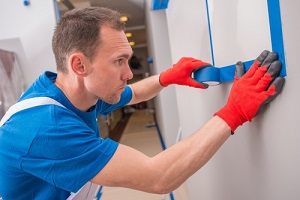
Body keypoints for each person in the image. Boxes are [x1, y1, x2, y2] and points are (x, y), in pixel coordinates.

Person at [0, 7, 285, 200]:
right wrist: (233, 111)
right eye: (118, 62)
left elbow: (133, 94)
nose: (129, 73)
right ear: (79, 65)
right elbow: (158, 177)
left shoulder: (73, 93)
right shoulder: (46, 130)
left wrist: (167, 78)